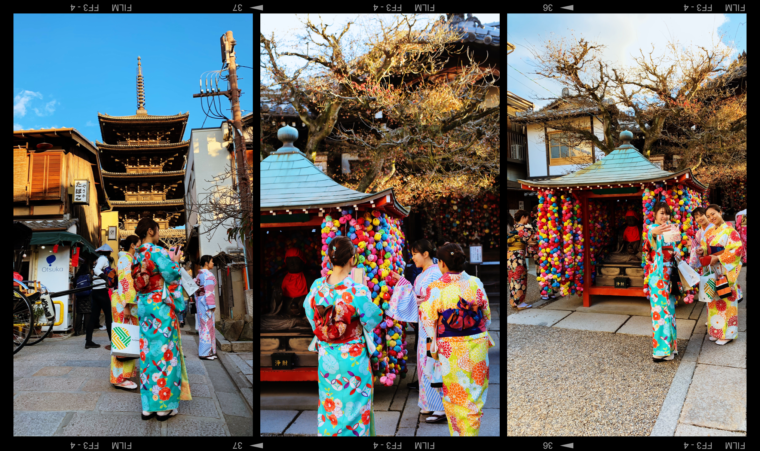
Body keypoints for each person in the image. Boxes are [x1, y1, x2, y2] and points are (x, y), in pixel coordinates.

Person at [302, 236, 384, 436]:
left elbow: (309, 313)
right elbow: (373, 318)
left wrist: (325, 331)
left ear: (329, 260)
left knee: (331, 406)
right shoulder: (357, 289)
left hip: (327, 356)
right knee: (355, 407)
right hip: (353, 357)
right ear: (352, 259)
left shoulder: (317, 287)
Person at [418, 243, 495, 436]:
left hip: (450, 347)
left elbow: (427, 320)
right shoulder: (475, 282)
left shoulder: (436, 287)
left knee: (455, 394)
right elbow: (487, 317)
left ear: (442, 264)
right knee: (476, 393)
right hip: (477, 341)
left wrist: (434, 339)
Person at [132, 217, 192, 420]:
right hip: (160, 307)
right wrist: (174, 262)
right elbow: (172, 275)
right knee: (165, 351)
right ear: (150, 231)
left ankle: (147, 406)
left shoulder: (137, 254)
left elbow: (137, 280)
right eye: (157, 231)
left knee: (147, 352)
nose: (159, 234)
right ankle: (163, 405)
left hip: (144, 306)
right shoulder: (157, 252)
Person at [388, 239, 446, 424]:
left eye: (414, 253)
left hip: (434, 324)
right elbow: (416, 294)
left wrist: (420, 301)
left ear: (426, 254)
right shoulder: (425, 273)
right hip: (425, 323)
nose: (412, 257)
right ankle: (429, 402)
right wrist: (402, 281)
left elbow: (436, 299)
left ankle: (441, 407)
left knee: (433, 362)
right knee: (424, 363)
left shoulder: (435, 273)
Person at [698, 204, 743, 345]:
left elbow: (737, 250)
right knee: (713, 300)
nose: (712, 217)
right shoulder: (710, 231)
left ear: (720, 212)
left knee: (726, 299)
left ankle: (728, 334)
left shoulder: (730, 230)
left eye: (714, 214)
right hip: (713, 269)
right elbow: (706, 246)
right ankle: (716, 331)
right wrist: (702, 250)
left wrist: (718, 258)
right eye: (709, 215)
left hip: (724, 270)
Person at [645, 202, 679, 362]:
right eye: (661, 213)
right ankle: (661, 349)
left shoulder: (671, 228)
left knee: (670, 311)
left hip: (670, 273)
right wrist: (653, 234)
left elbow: (674, 249)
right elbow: (648, 252)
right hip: (658, 276)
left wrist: (676, 252)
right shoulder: (651, 229)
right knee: (660, 311)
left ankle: (670, 348)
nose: (665, 217)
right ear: (655, 215)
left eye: (667, 214)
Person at [110, 235, 141, 391]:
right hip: (124, 303)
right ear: (133, 245)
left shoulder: (126, 259)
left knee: (128, 338)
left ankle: (125, 375)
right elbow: (125, 282)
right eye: (140, 244)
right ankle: (119, 378)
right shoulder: (126, 260)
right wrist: (127, 305)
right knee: (123, 338)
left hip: (124, 301)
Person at [508, 210, 537, 308]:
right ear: (524, 217)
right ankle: (520, 302)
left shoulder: (514, 227)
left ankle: (513, 301)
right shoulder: (526, 228)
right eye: (527, 217)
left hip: (510, 255)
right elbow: (532, 241)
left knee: (512, 278)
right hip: (518, 255)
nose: (528, 219)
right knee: (520, 277)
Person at [90, 244, 114, 349]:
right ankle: (112, 342)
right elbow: (97, 270)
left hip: (95, 290)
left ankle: (88, 341)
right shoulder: (103, 259)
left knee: (93, 317)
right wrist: (105, 278)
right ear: (108, 253)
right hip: (101, 291)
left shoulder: (98, 259)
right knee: (109, 316)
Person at [194, 255, 218, 360]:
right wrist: (211, 305)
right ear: (206, 263)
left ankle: (206, 351)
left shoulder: (199, 275)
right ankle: (205, 353)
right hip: (206, 303)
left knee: (203, 327)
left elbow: (196, 289)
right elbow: (209, 292)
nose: (213, 264)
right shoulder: (208, 274)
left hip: (200, 302)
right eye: (212, 262)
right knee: (207, 327)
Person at [73, 261, 93, 337]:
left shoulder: (77, 276)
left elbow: (74, 285)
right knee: (87, 312)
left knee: (79, 313)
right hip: (87, 296)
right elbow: (92, 285)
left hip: (79, 296)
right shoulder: (89, 275)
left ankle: (77, 331)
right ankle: (85, 329)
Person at [178, 260, 193, 328]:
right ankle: (181, 320)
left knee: (185, 310)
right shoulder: (177, 278)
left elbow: (190, 287)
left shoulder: (186, 277)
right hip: (178, 297)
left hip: (185, 297)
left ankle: (183, 318)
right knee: (180, 309)